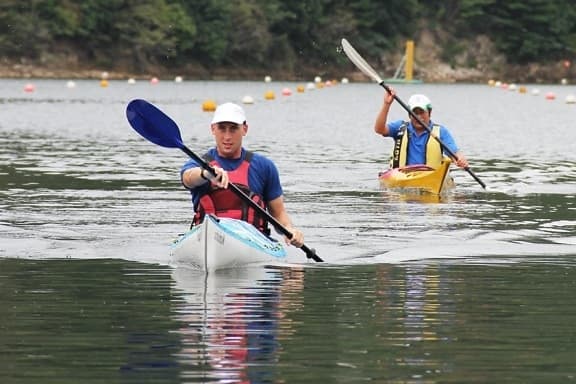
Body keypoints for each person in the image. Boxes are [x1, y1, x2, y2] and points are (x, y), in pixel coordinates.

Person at [180, 102, 304, 248]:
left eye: (233, 129)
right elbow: (187, 178)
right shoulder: (198, 164)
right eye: (222, 128)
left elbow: (278, 213)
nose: (227, 136)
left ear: (244, 129)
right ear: (213, 129)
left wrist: (289, 229)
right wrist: (206, 173)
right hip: (206, 240)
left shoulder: (265, 167)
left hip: (253, 242)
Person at [374, 90, 469, 169]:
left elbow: (454, 152)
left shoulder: (441, 132)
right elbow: (379, 129)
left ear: (429, 113)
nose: (419, 117)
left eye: (422, 112)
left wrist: (460, 159)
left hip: (431, 177)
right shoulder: (399, 127)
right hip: (402, 176)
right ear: (409, 114)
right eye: (415, 113)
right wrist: (386, 104)